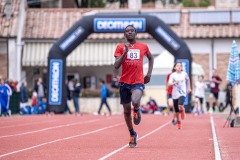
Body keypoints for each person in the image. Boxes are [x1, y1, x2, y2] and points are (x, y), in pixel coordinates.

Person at [114, 25, 154, 147]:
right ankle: (132, 134)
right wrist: (125, 52)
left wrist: (149, 74)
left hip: (138, 81)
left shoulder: (143, 47)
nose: (130, 32)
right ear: (124, 34)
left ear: (135, 33)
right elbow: (116, 65)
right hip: (125, 82)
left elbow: (151, 59)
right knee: (126, 112)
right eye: (127, 31)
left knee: (135, 100)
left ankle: (136, 109)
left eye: (132, 31)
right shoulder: (120, 47)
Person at [168, 62, 191, 129]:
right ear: (175, 67)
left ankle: (182, 110)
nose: (179, 67)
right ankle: (178, 121)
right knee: (176, 110)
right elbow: (169, 84)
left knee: (180, 104)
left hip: (182, 92)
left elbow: (188, 79)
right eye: (177, 66)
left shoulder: (184, 74)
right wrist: (175, 83)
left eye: (180, 66)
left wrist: (189, 88)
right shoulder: (172, 75)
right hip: (175, 94)